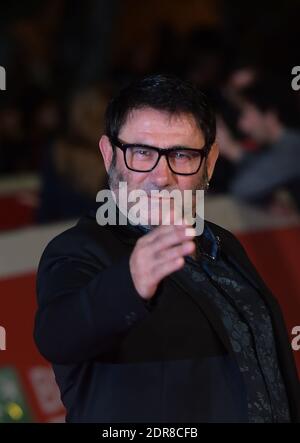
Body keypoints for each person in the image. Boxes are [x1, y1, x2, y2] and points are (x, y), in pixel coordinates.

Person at [34, 75, 300, 423]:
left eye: (182, 155)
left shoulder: (223, 244)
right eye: (142, 153)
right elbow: (59, 335)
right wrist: (131, 283)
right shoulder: (77, 250)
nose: (161, 176)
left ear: (210, 162)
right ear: (109, 154)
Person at [219, 78, 300, 210]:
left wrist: (233, 150)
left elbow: (244, 188)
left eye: (247, 114)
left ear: (270, 116)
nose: (243, 126)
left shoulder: (293, 148)